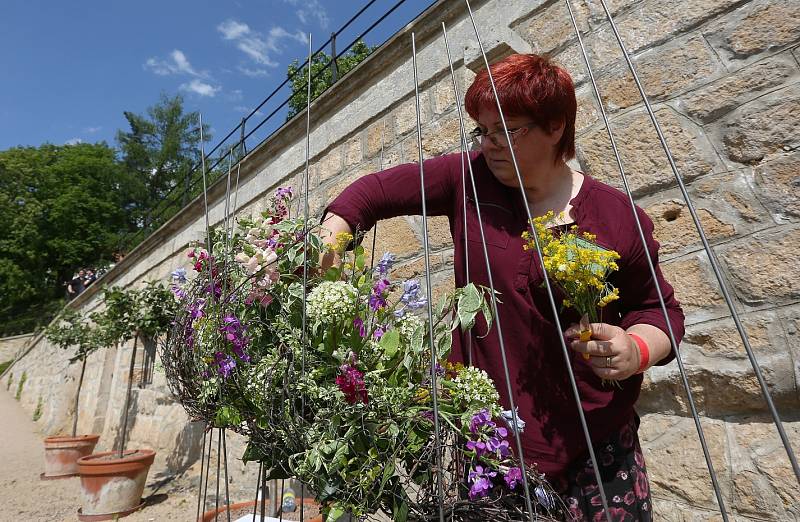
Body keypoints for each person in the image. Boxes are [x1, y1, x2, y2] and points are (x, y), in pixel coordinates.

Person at [320, 53, 684, 520]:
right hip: (490, 444)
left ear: (555, 126)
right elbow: (373, 192)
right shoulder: (466, 179)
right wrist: (333, 229)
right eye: (482, 131)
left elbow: (660, 312)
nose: (489, 145)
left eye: (505, 131)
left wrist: (635, 349)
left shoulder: (617, 216)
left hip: (598, 444)